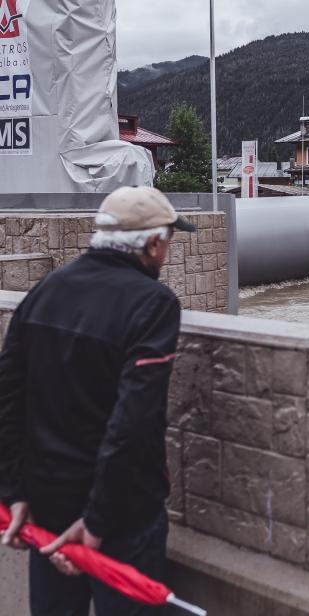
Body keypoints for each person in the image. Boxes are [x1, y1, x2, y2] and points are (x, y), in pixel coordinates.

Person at [0, 186, 196, 616]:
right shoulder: (153, 303)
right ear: (152, 243)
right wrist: (98, 519)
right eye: (167, 242)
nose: (165, 253)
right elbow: (131, 423)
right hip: (120, 518)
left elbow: (7, 399)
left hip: (45, 507)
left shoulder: (46, 290)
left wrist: (14, 493)